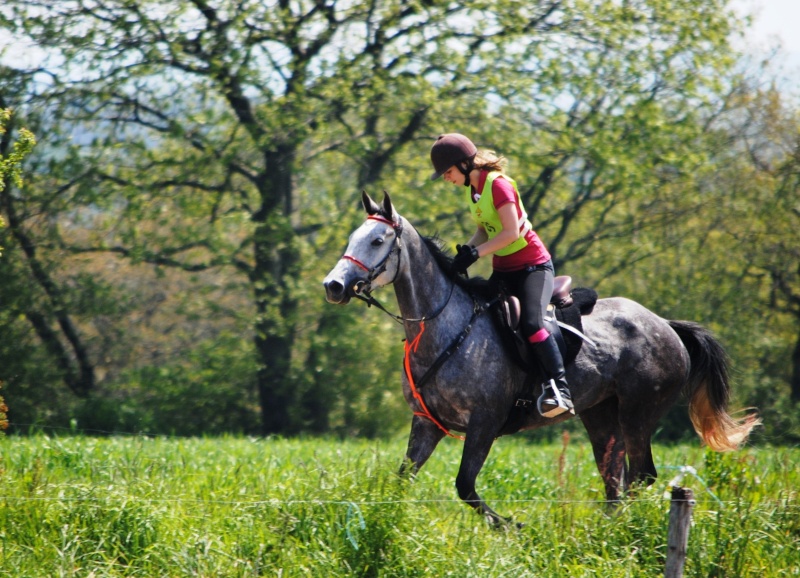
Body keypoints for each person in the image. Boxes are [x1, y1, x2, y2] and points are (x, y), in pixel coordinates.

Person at [429, 133, 574, 418]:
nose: (446, 178)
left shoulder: (499, 186)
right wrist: (466, 251)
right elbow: (485, 229)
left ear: (464, 163)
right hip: (504, 270)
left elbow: (511, 233)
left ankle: (560, 389)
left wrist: (478, 254)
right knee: (479, 318)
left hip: (533, 267)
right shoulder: (474, 190)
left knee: (532, 323)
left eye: (447, 172)